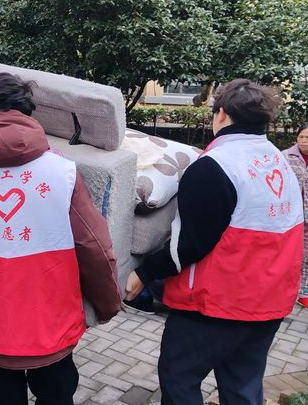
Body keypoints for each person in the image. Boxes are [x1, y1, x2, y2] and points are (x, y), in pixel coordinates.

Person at [0, 72, 121, 405]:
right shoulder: (62, 172)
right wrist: (107, 303)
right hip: (49, 321)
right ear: (28, 112)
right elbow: (94, 247)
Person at [126, 79, 304, 405]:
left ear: (221, 114)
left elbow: (190, 244)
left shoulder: (215, 166)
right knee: (242, 389)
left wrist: (144, 273)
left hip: (215, 305)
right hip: (268, 304)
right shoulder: (279, 163)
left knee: (180, 380)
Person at [283, 122, 308, 308]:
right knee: (288, 253)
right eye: (301, 137)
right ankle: (283, 288)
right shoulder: (284, 157)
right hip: (290, 216)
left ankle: (303, 292)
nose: (304, 141)